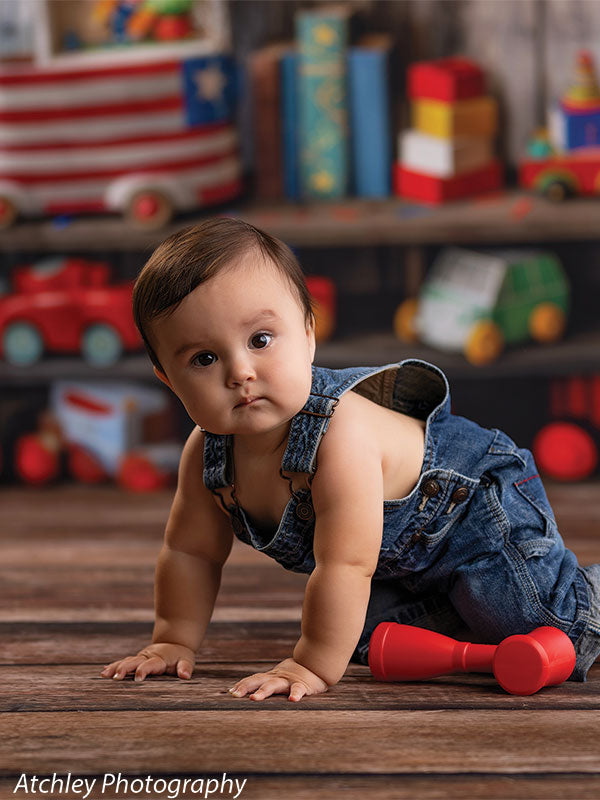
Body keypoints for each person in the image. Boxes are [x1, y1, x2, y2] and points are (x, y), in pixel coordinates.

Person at [101, 217, 600, 700]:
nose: (240, 372)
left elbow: (345, 563)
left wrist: (313, 663)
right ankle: (460, 606)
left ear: (309, 335)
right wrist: (173, 638)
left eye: (260, 340)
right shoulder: (206, 455)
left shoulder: (338, 434)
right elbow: (191, 552)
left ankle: (578, 594)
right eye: (203, 359)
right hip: (401, 564)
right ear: (167, 378)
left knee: (541, 625)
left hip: (474, 513)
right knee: (366, 636)